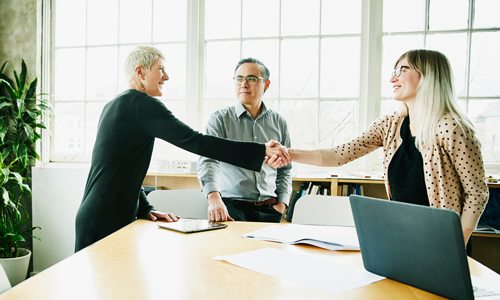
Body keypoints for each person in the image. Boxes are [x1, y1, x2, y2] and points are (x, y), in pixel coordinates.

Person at [75, 46, 288, 252]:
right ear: (140, 72)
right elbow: (195, 141)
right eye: (160, 69)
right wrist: (260, 151)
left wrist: (146, 208)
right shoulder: (142, 104)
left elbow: (122, 170)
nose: (166, 77)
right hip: (105, 220)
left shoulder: (117, 104)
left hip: (99, 214)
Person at [278, 49, 488, 249]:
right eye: (393, 72)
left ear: (427, 76)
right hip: (401, 236)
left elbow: (477, 194)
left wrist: (456, 243)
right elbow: (339, 154)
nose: (392, 79)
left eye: (402, 71)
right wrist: (289, 154)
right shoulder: (391, 125)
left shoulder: (452, 128)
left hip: (441, 241)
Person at [197, 58, 292, 223]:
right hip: (232, 207)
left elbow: (285, 169)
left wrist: (282, 204)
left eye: (252, 79)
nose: (244, 84)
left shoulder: (279, 122)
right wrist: (213, 198)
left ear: (266, 84)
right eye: (239, 78)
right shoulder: (220, 119)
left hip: (270, 208)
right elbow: (208, 161)